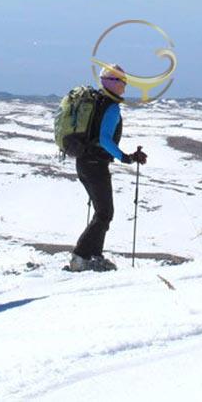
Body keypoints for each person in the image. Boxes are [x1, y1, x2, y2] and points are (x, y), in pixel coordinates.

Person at [69, 65, 147, 272]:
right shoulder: (111, 107)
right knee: (105, 213)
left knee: (102, 212)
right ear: (112, 83)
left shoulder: (96, 102)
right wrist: (126, 157)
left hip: (83, 162)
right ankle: (81, 257)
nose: (125, 85)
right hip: (96, 165)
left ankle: (94, 256)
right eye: (122, 81)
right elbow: (104, 139)